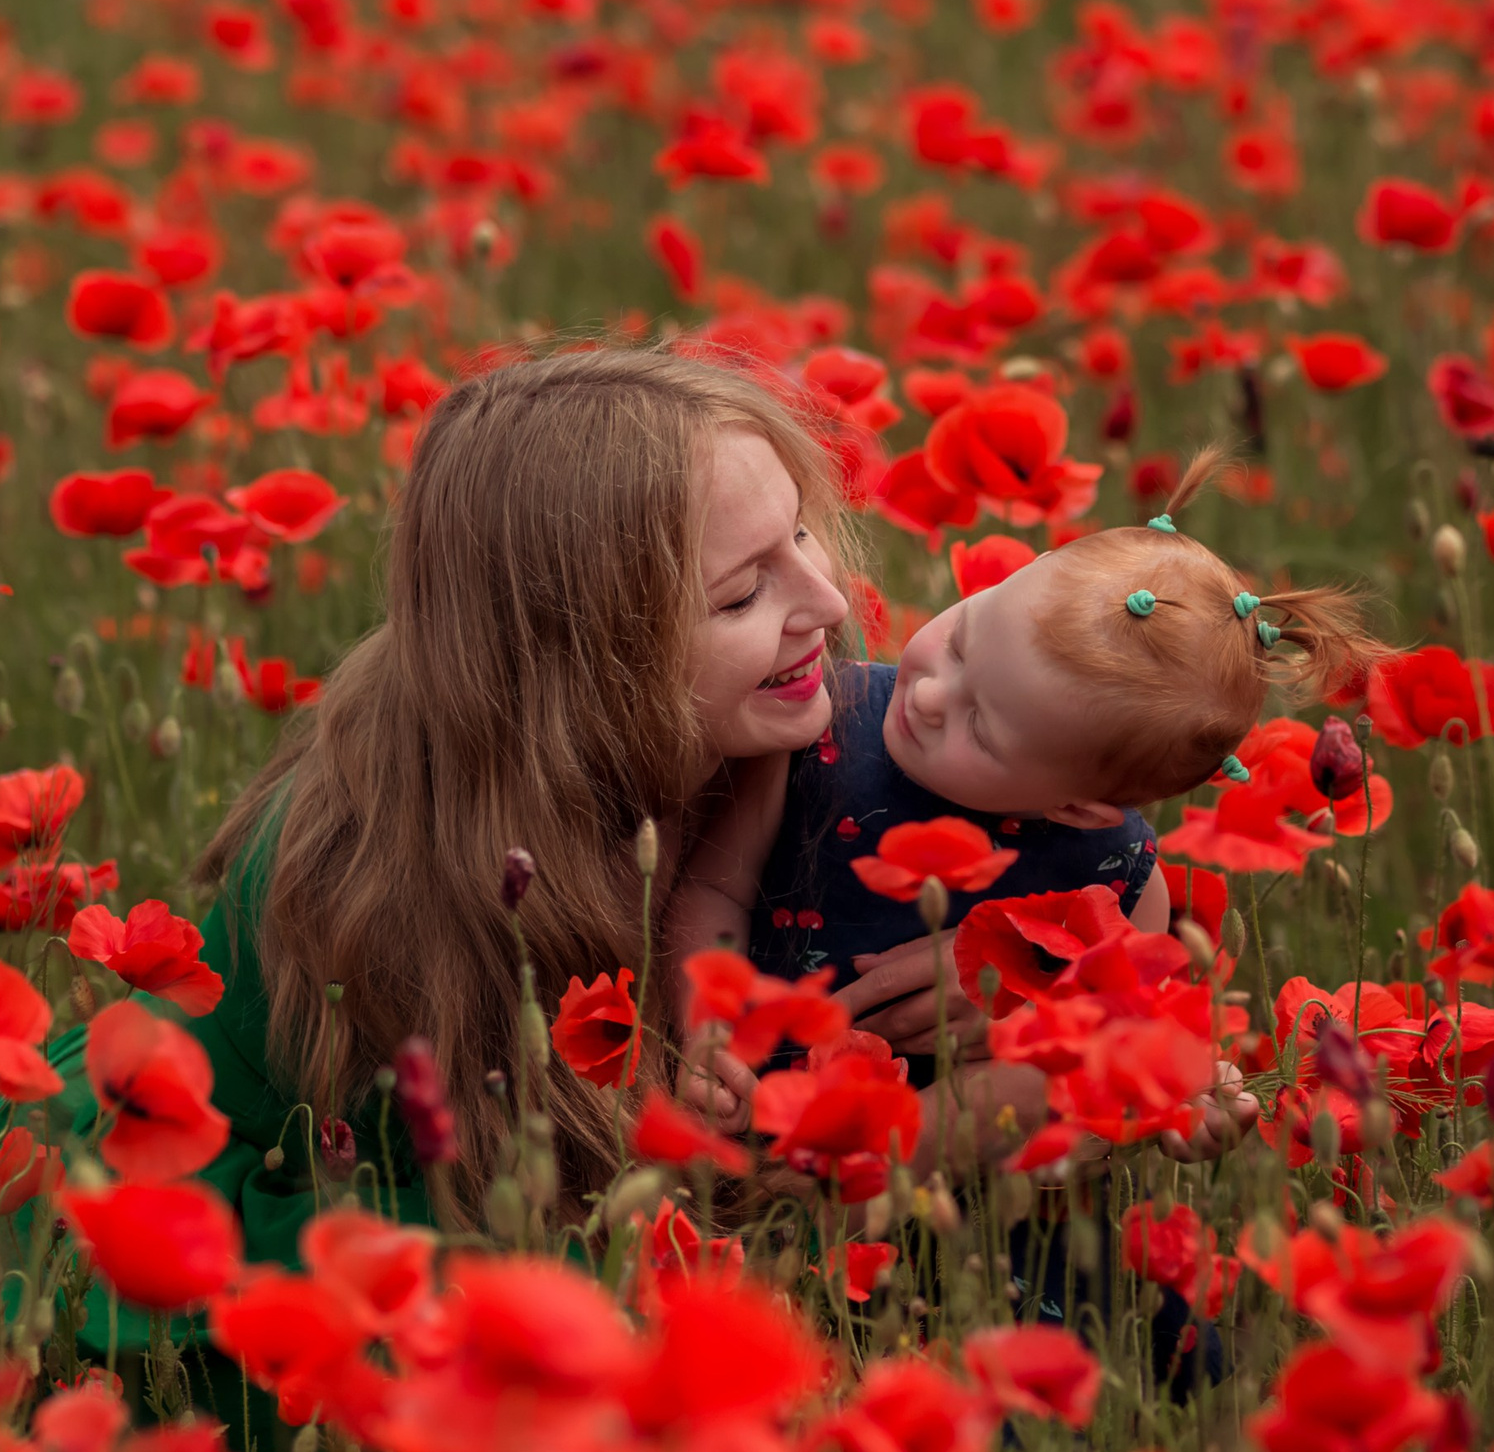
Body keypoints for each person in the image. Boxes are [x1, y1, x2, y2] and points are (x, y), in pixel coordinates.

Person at [38, 344, 871, 1270]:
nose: (829, 601)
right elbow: (483, 1240)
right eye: (745, 593)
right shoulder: (390, 875)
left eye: (800, 534)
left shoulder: (825, 737)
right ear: (583, 661)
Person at [666, 449, 1382, 1115]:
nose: (930, 696)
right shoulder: (821, 724)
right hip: (775, 1105)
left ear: (1076, 807)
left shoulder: (1114, 881)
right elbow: (714, 889)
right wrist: (709, 1025)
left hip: (974, 1179)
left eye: (979, 725)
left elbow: (1111, 1032)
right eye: (960, 640)